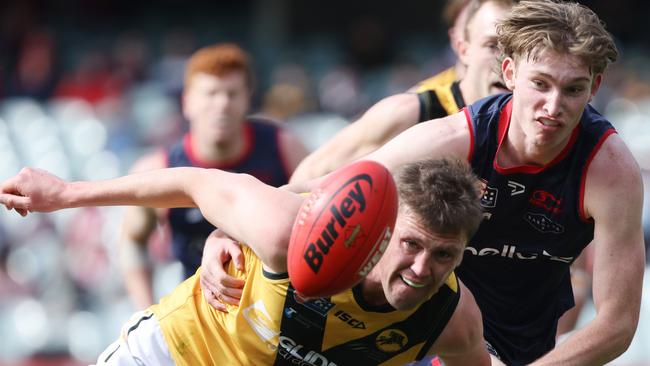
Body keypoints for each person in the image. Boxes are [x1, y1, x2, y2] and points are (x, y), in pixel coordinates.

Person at [242, 1, 644, 364]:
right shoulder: (452, 137)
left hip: (518, 345)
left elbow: (617, 323)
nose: (553, 107)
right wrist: (229, 235)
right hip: (412, 324)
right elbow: (323, 190)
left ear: (594, 87)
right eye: (540, 84)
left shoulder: (609, 172)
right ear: (510, 73)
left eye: (573, 89)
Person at [0, 158, 493, 365]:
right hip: (174, 355)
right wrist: (65, 194)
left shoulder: (451, 319)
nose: (422, 269)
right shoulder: (290, 231)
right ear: (382, 231)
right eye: (411, 245)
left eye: (444, 255)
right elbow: (195, 184)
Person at [119, 43, 308, 309]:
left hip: (278, 312)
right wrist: (146, 309)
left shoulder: (284, 148)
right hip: (202, 320)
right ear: (188, 102)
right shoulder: (158, 170)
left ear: (247, 99)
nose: (222, 104)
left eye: (232, 93)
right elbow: (133, 241)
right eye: (211, 93)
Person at [288, 0, 512, 183]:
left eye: (514, 48)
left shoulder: (541, 122)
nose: (504, 61)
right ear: (460, 45)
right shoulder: (417, 110)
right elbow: (309, 177)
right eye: (492, 45)